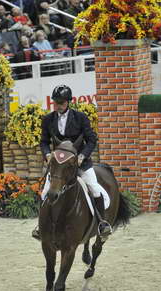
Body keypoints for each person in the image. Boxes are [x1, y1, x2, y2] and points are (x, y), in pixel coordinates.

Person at [32, 85, 112, 241]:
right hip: (59, 167)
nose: (58, 105)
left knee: (95, 189)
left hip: (80, 163)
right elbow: (43, 142)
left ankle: (102, 224)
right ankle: (41, 226)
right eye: (56, 102)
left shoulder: (80, 118)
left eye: (61, 103)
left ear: (69, 102)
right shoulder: (48, 119)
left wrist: (82, 155)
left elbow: (91, 140)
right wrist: (47, 154)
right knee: (45, 193)